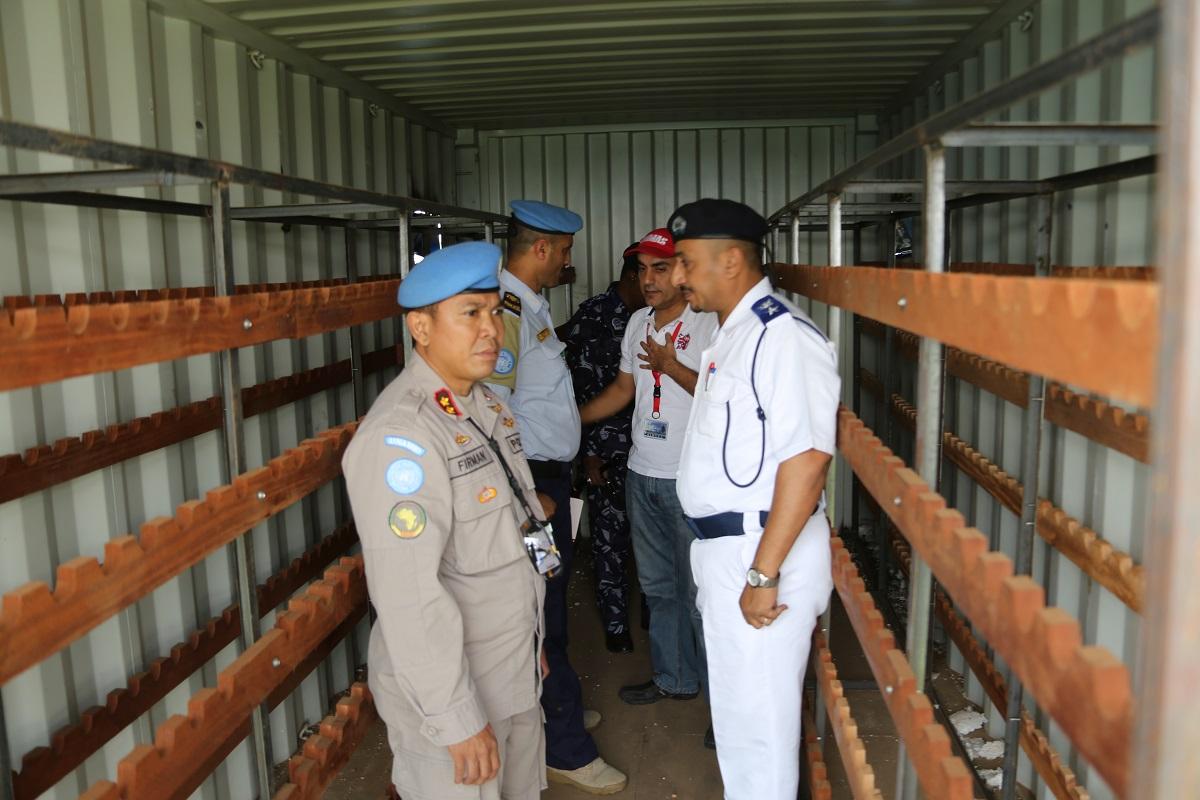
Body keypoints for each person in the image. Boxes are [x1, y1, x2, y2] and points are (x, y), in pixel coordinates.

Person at [342, 241, 551, 800]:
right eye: (470, 313)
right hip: (455, 699)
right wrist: (456, 719)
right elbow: (408, 597)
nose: (491, 330)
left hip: (512, 670)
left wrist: (534, 639)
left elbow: (517, 528)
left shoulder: (487, 407)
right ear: (421, 328)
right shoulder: (403, 438)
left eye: (494, 312)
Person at [668, 199, 840, 800]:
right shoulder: (735, 334)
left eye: (686, 262)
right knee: (741, 720)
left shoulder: (780, 335)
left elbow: (808, 459)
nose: (678, 276)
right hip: (734, 548)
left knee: (761, 728)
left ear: (732, 261)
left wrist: (763, 573)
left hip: (762, 549)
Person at [484, 199, 627, 795]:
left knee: (550, 595)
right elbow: (489, 413)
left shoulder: (531, 307)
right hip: (532, 490)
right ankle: (563, 745)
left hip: (548, 483)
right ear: (541, 248)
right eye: (564, 250)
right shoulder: (505, 313)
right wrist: (524, 494)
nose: (568, 260)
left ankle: (549, 705)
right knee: (539, 607)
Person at [579, 228, 718, 718]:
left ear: (683, 271)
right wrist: (573, 421)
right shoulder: (638, 322)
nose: (648, 280)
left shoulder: (709, 324)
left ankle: (723, 709)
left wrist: (670, 365)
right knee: (659, 589)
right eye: (641, 270)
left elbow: (725, 397)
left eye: (660, 268)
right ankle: (674, 678)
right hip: (642, 474)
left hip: (691, 480)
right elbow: (624, 389)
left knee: (702, 596)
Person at [560, 248, 644, 654]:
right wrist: (589, 453)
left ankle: (652, 613)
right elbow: (580, 391)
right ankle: (616, 625)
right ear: (631, 276)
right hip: (606, 449)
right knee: (609, 539)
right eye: (646, 274)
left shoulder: (655, 317)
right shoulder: (594, 316)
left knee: (650, 536)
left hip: (649, 448)